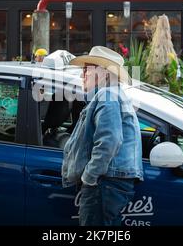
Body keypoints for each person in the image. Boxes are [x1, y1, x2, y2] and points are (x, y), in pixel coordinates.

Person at [61, 46, 144, 226]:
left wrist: (89, 177)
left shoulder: (107, 95)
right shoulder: (113, 94)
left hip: (104, 182)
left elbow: (109, 141)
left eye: (87, 69)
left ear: (105, 73)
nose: (82, 74)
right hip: (110, 181)